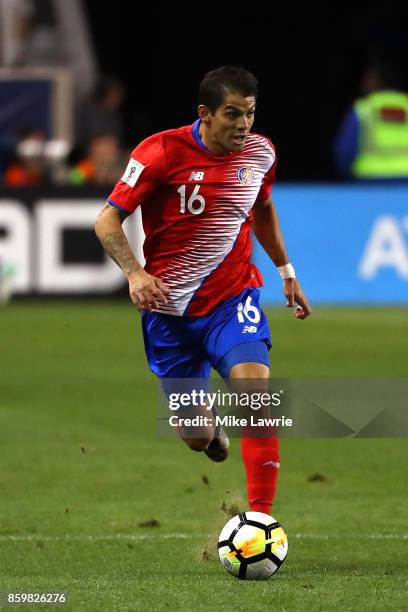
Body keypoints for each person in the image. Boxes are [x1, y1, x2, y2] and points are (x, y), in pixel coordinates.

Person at [95, 65, 311, 515]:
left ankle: (261, 520)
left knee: (254, 396)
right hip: (169, 312)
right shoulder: (160, 152)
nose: (243, 124)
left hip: (232, 300)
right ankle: (210, 436)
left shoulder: (260, 154)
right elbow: (107, 220)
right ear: (205, 114)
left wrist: (285, 269)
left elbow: (264, 207)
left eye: (250, 113)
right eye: (232, 113)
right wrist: (136, 273)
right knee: (195, 435)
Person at [334, 60, 408, 179]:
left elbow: (345, 152)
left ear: (378, 80)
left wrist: (346, 177)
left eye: (368, 78)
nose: (364, 82)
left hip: (370, 181)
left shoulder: (363, 109)